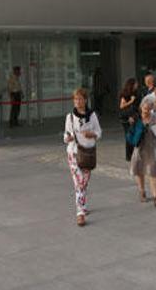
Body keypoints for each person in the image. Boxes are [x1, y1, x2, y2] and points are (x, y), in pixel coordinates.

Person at [63, 87, 102, 227]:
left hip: (88, 152)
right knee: (79, 182)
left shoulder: (92, 116)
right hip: (74, 152)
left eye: (80, 99)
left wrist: (92, 134)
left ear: (85, 100)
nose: (78, 102)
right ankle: (80, 212)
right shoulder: (70, 117)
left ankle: (82, 204)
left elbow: (99, 132)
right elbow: (65, 136)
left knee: (84, 181)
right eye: (75, 99)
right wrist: (68, 138)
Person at [130, 99, 156, 207]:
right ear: (141, 107)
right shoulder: (136, 118)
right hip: (139, 147)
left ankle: (155, 196)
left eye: (148, 109)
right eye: (144, 108)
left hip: (151, 147)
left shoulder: (154, 119)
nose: (146, 111)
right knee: (139, 170)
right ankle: (142, 191)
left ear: (151, 109)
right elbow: (130, 132)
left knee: (153, 171)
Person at [118, 78, 140, 162]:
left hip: (134, 115)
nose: (137, 85)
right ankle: (129, 155)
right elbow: (122, 106)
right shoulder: (125, 94)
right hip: (125, 117)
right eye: (135, 84)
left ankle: (133, 153)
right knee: (128, 135)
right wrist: (131, 101)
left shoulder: (136, 93)